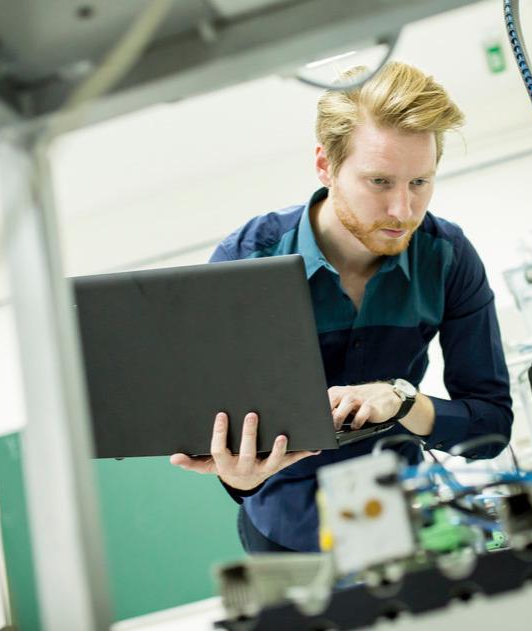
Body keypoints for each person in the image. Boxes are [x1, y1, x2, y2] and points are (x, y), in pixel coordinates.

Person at [170, 61, 512, 553]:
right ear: (324, 166)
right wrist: (238, 474)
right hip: (285, 533)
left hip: (404, 523)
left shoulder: (448, 258)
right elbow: (215, 431)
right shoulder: (244, 261)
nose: (403, 210)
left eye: (420, 183)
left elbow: (490, 424)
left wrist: (401, 399)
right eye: (379, 182)